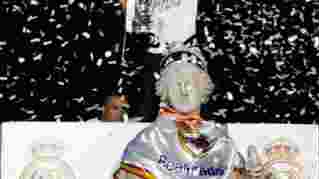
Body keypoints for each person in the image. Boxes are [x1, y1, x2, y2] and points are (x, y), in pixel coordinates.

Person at [113, 45, 268, 179]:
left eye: (190, 83)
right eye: (176, 83)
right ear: (165, 91)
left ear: (204, 89)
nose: (183, 90)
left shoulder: (222, 144)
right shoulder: (148, 142)